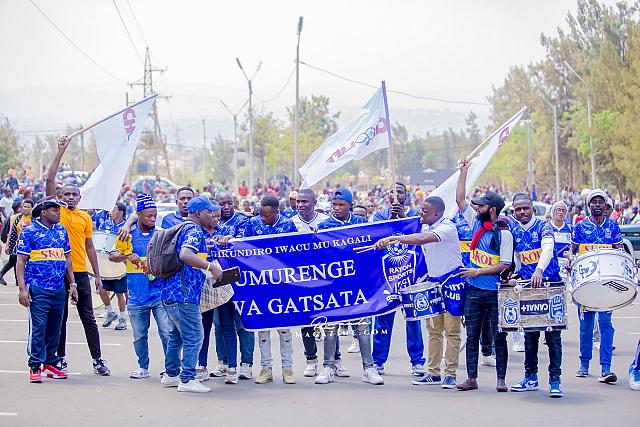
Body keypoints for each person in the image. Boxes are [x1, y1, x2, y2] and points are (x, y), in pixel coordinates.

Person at [375, 196, 464, 390]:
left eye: (425, 211)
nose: (420, 214)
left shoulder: (447, 227)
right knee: (434, 331)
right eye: (421, 210)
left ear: (437, 214)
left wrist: (393, 239)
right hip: (433, 284)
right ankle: (433, 372)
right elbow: (413, 231)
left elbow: (422, 240)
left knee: (452, 332)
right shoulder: (426, 226)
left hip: (452, 283)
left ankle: (450, 374)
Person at [46, 136, 110, 376]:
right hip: (58, 272)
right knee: (59, 317)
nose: (71, 197)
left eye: (74, 194)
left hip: (81, 272)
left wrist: (98, 276)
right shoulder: (56, 213)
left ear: (80, 198)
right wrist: (60, 151)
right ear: (60, 197)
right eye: (67, 194)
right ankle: (59, 358)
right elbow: (50, 179)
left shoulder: (85, 218)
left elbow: (90, 247)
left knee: (88, 317)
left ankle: (97, 359)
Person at [315, 188, 384, 386]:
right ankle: (328, 367)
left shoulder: (360, 223)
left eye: (341, 205)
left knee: (362, 325)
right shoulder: (325, 226)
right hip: (334, 284)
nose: (336, 208)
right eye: (334, 205)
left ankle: (369, 368)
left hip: (358, 283)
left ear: (350, 206)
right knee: (331, 325)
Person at [456, 159, 513, 392]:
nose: (476, 208)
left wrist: (477, 271)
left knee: (499, 337)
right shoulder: (476, 224)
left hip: (494, 292)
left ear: (492, 210)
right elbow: (460, 200)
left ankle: (501, 380)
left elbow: (504, 264)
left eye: (481, 206)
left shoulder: (504, 234)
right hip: (474, 291)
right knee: (472, 336)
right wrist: (463, 172)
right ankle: (471, 378)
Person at [160, 195, 223, 393]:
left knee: (177, 335)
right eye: (208, 211)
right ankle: (187, 379)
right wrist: (211, 267)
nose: (212, 215)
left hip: (172, 292)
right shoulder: (194, 230)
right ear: (197, 213)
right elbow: (186, 254)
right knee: (195, 336)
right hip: (184, 294)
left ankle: (171, 374)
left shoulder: (182, 227)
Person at [508, 193, 564, 398]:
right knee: (530, 336)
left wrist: (538, 270)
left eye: (525, 208)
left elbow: (548, 249)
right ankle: (530, 377)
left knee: (553, 338)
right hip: (528, 288)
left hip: (551, 285)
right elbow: (517, 257)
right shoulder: (514, 229)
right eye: (518, 209)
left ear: (532, 208)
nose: (522, 212)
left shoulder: (544, 227)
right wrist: (515, 272)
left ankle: (555, 381)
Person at [110, 194, 171, 379]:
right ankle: (143, 367)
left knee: (167, 333)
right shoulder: (127, 234)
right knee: (139, 336)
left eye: (155, 216)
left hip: (159, 294)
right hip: (136, 296)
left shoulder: (160, 234)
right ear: (139, 215)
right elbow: (112, 255)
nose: (153, 219)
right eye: (149, 216)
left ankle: (171, 369)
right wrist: (127, 256)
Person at [16, 197, 75, 383]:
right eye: (55, 210)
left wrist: (72, 284)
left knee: (55, 327)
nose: (59, 213)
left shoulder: (61, 230)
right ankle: (35, 365)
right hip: (37, 287)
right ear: (43, 212)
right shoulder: (30, 231)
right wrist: (22, 289)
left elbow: (67, 258)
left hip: (59, 288)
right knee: (39, 327)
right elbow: (20, 261)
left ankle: (50, 362)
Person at [371, 182, 426, 377]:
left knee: (413, 320)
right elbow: (376, 236)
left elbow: (420, 236)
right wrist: (391, 220)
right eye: (392, 193)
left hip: (410, 275)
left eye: (400, 192)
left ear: (406, 196)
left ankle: (417, 362)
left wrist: (402, 218)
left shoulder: (415, 216)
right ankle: (377, 361)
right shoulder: (380, 216)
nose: (396, 196)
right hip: (387, 278)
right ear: (387, 196)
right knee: (382, 321)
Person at [243, 195, 298, 384]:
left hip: (282, 284)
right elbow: (242, 247)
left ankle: (288, 369)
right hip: (259, 284)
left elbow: (297, 251)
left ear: (276, 212)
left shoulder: (288, 225)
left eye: (266, 215)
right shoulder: (253, 224)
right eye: (260, 214)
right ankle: (266, 369)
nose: (263, 218)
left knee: (284, 329)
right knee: (263, 328)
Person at [571, 189, 623, 384]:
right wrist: (570, 260)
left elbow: (619, 251)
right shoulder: (580, 227)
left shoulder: (613, 226)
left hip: (607, 287)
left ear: (605, 205)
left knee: (606, 325)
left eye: (601, 202)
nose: (598, 205)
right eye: (594, 202)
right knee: (586, 326)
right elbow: (572, 251)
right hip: (586, 286)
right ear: (589, 205)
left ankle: (606, 367)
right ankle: (584, 364)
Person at [202, 191, 254, 380]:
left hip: (234, 281)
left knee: (240, 324)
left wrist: (231, 241)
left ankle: (243, 365)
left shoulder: (239, 223)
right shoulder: (198, 230)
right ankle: (219, 363)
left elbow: (247, 247)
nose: (225, 207)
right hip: (207, 283)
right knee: (214, 326)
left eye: (229, 203)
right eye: (221, 204)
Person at [289, 189, 334, 378]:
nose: (300, 205)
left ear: (314, 203)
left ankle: (335, 360)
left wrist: (323, 237)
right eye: (298, 201)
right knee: (306, 319)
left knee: (331, 319)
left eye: (305, 202)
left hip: (325, 277)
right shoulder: (290, 223)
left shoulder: (326, 222)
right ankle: (311, 360)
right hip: (301, 278)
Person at [100, 202, 129, 331]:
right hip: (106, 261)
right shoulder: (105, 224)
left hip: (120, 263)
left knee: (119, 292)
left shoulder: (127, 226)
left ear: (121, 212)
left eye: (113, 210)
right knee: (101, 289)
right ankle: (110, 312)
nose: (110, 213)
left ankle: (122, 318)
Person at [0, 198, 33, 286]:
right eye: (24, 206)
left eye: (28, 207)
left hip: (29, 245)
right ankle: (16, 279)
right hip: (16, 244)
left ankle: (18, 280)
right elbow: (11, 231)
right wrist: (7, 244)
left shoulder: (34, 219)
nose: (26, 208)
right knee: (14, 261)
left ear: (31, 208)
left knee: (17, 262)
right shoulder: (16, 217)